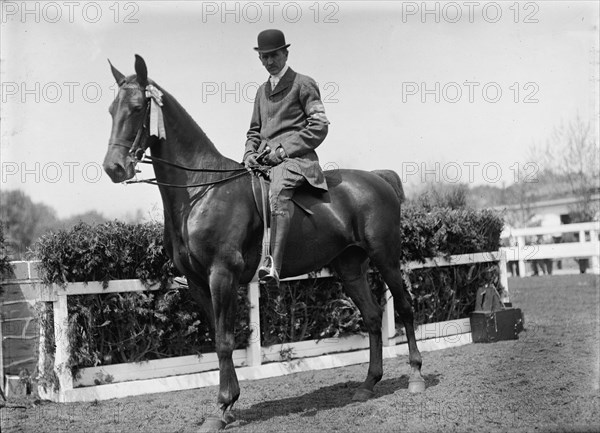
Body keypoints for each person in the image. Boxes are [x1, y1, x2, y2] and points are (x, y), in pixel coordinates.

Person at [244, 29, 330, 288]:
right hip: (264, 162)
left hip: (297, 161)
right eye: (264, 57)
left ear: (285, 53)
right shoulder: (261, 91)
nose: (269, 62)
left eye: (273, 55)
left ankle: (274, 266)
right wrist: (249, 152)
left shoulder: (303, 83)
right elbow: (254, 131)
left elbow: (319, 125)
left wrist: (282, 151)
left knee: (279, 187)